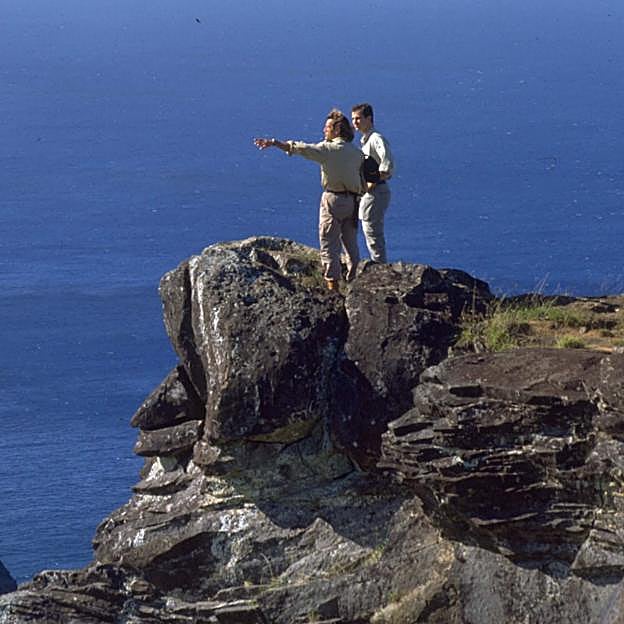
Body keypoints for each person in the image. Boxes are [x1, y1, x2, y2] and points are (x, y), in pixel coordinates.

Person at [254, 110, 364, 291]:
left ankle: (333, 289)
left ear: (337, 130)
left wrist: (275, 143)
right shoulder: (356, 152)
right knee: (351, 245)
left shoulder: (328, 150)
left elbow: (301, 148)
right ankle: (354, 282)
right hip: (352, 202)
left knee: (329, 245)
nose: (324, 130)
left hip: (333, 199)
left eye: (327, 127)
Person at [351, 103, 395, 263]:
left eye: (358, 118)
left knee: (372, 230)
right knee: (370, 229)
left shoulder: (376, 138)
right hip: (373, 191)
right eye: (353, 119)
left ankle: (379, 267)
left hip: (376, 191)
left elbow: (387, 162)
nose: (355, 122)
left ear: (369, 119)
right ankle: (379, 264)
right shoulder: (367, 140)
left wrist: (373, 181)